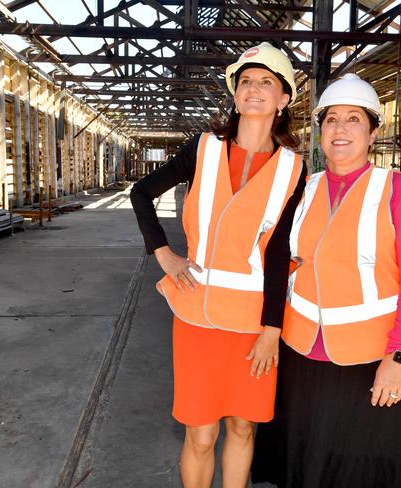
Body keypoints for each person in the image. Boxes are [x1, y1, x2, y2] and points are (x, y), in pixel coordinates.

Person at [130, 42, 306, 488]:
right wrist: (164, 254)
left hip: (251, 324)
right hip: (197, 316)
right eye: (246, 80)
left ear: (283, 98)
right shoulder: (204, 149)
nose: (254, 89)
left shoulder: (292, 169)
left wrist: (272, 330)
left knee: (244, 427)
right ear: (234, 92)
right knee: (202, 433)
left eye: (267, 82)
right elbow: (141, 194)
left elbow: (279, 254)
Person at [251, 73, 401, 488]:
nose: (340, 129)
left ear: (372, 133)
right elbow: (281, 259)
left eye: (354, 119)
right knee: (306, 460)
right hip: (300, 352)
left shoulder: (399, 191)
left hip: (369, 356)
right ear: (320, 131)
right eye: (331, 119)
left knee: (361, 466)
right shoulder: (304, 189)